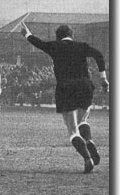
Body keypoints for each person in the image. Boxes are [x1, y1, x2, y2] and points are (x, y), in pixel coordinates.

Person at [20, 22, 109, 173]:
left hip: (66, 88)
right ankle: (88, 141)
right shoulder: (81, 46)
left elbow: (39, 43)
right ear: (71, 35)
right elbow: (99, 55)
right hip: (85, 87)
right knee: (83, 121)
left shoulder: (55, 46)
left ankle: (87, 158)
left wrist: (27, 34)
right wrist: (103, 78)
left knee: (73, 131)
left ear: (58, 36)